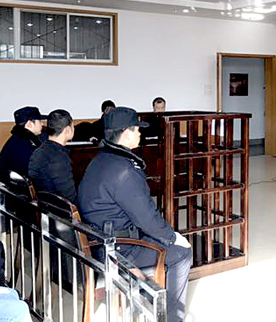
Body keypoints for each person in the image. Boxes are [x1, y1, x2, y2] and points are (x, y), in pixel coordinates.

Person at [78, 107, 193, 322]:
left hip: (96, 240)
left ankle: (149, 297)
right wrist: (173, 237)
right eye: (137, 129)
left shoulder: (100, 160)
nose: (140, 133)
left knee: (158, 238)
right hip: (118, 249)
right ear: (126, 132)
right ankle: (173, 317)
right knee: (181, 253)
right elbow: (146, 218)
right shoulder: (125, 170)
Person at [28, 109, 77, 202]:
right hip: (57, 207)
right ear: (67, 130)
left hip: (42, 204)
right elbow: (70, 197)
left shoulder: (38, 151)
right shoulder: (59, 158)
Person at [0, 106, 47, 184]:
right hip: (17, 190)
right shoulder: (26, 145)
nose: (42, 124)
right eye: (39, 121)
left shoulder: (16, 139)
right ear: (29, 124)